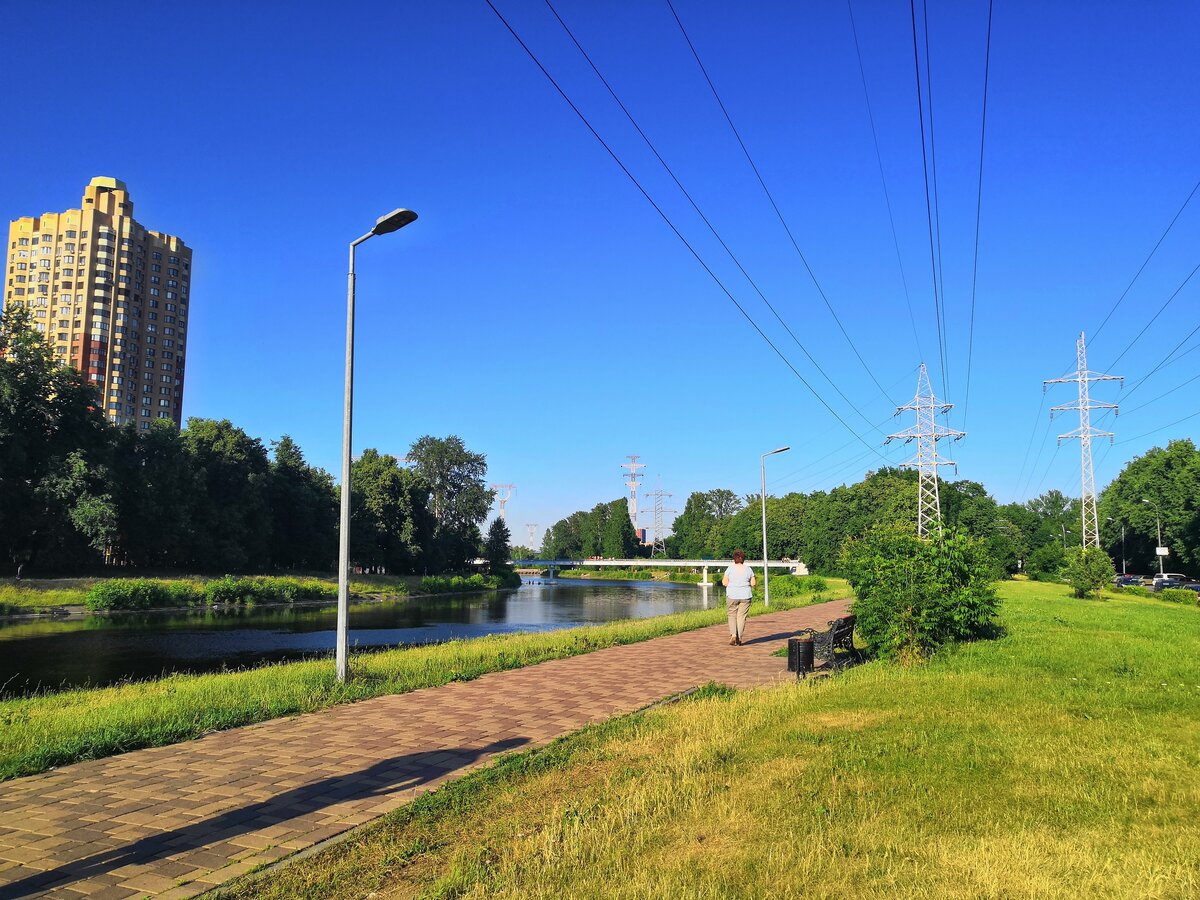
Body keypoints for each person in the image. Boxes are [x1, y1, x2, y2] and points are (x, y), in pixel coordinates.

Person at [722, 549, 756, 646]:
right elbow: (753, 583)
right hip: (745, 596)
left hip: (732, 595)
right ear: (743, 559)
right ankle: (739, 638)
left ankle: (733, 635)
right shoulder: (749, 569)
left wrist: (732, 585)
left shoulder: (730, 569)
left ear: (734, 559)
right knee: (741, 617)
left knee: (732, 615)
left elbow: (724, 582)